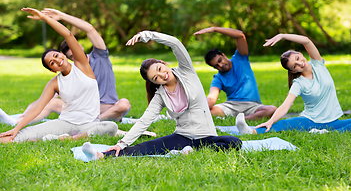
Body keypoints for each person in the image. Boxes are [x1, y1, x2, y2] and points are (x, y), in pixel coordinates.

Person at [81, 31, 242, 160]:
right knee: (146, 147)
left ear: (162, 63)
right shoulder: (161, 95)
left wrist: (148, 35)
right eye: (155, 78)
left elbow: (175, 43)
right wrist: (121, 143)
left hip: (206, 136)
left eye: (159, 69)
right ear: (154, 82)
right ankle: (101, 155)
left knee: (234, 142)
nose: (162, 75)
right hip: (182, 136)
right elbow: (144, 121)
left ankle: (189, 151)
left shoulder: (186, 71)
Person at [0, 8, 118, 143]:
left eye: (56, 56)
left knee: (111, 127)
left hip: (89, 124)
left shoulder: (82, 66)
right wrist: (17, 128)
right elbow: (38, 107)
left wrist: (45, 18)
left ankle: (68, 139)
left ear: (62, 54)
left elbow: (68, 34)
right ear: (52, 70)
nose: (57, 60)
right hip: (65, 122)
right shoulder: (54, 83)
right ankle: (60, 138)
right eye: (52, 63)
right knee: (18, 136)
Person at [236, 33, 351, 135]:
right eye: (295, 65)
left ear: (300, 54)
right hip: (311, 120)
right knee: (284, 124)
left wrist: (282, 36)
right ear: (293, 70)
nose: (300, 63)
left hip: (333, 120)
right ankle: (251, 132)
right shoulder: (298, 83)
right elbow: (285, 106)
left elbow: (306, 41)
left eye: (297, 58)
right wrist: (271, 121)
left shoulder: (318, 63)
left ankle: (326, 133)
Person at [194, 27, 276, 120]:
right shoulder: (218, 78)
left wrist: (215, 29)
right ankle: (241, 118)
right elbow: (212, 97)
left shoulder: (240, 59)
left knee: (272, 110)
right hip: (231, 107)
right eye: (216, 65)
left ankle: (243, 119)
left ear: (224, 55)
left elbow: (240, 36)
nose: (221, 65)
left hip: (253, 105)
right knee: (209, 112)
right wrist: (200, 111)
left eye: (220, 60)